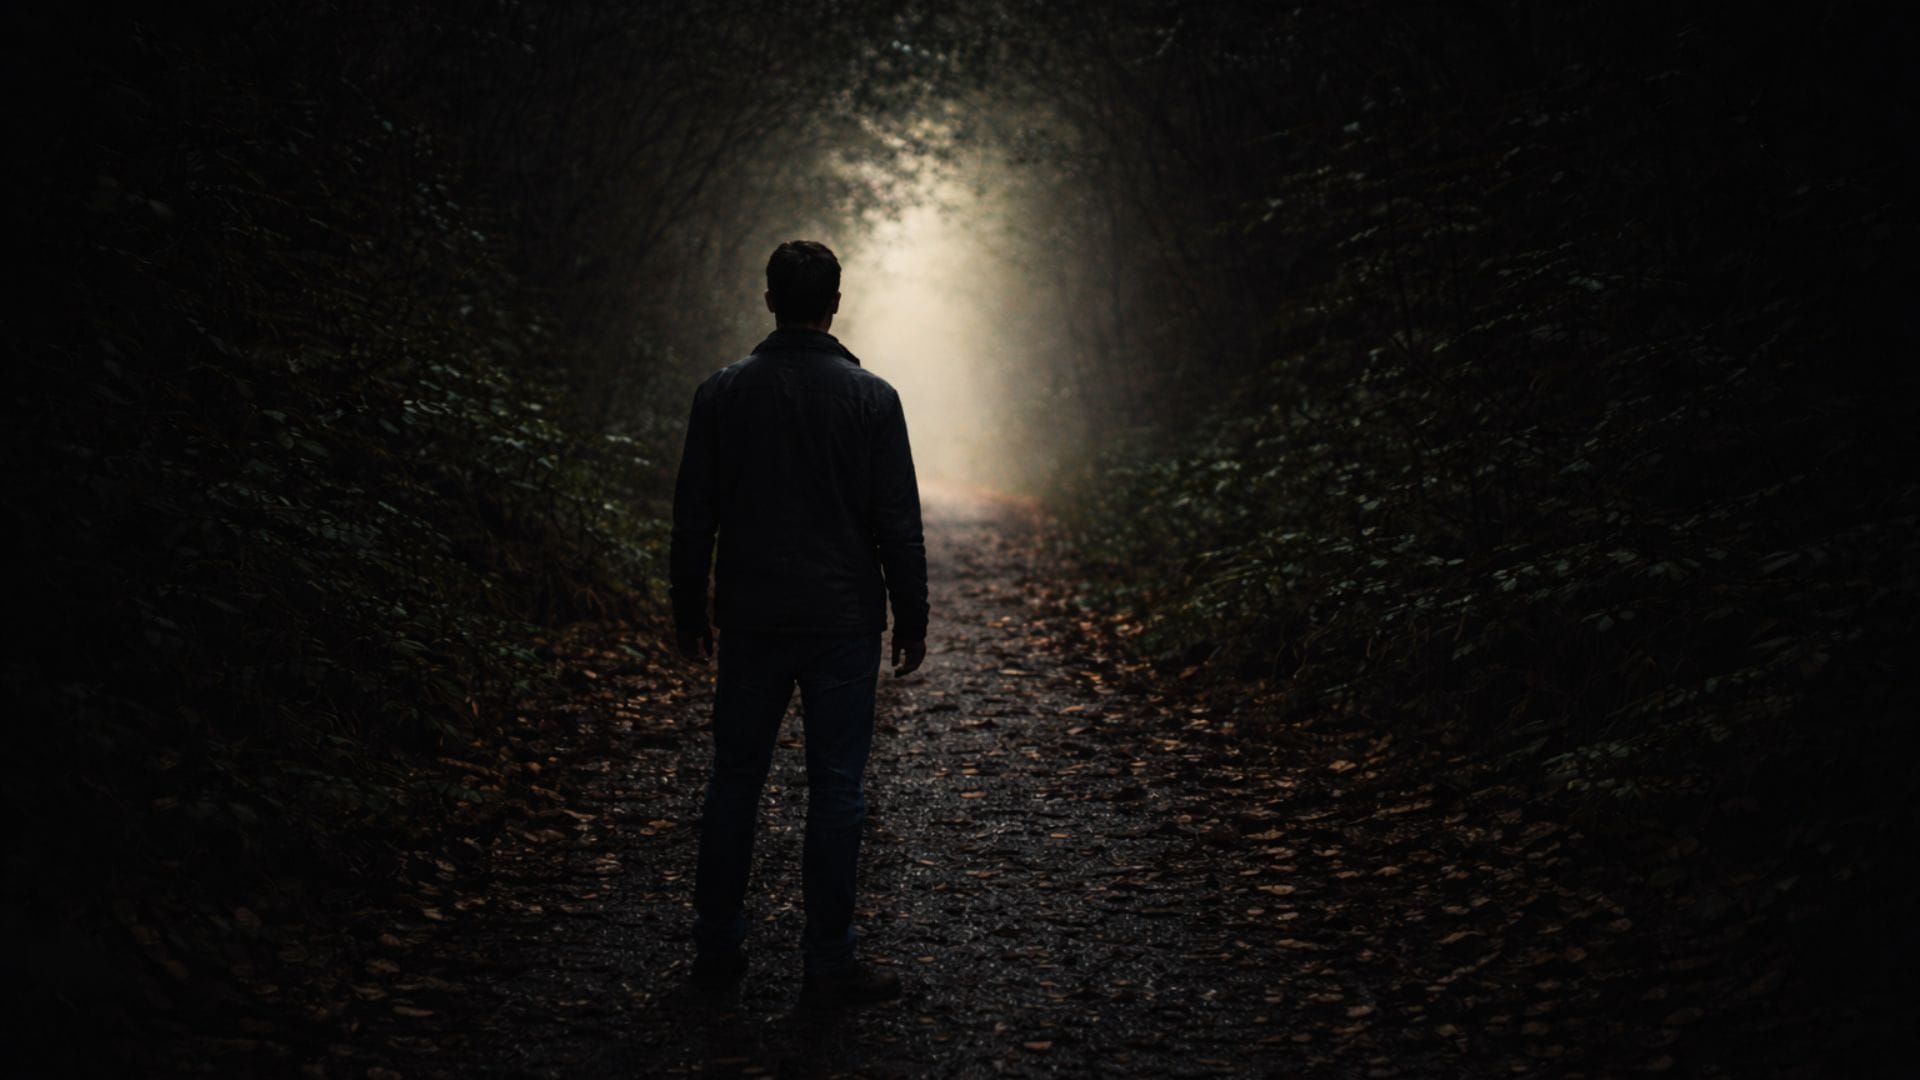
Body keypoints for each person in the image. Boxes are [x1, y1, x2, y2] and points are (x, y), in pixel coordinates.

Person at [669, 240, 929, 1007]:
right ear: (836, 303)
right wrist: (909, 617)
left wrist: (689, 608)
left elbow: (695, 517)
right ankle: (827, 961)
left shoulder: (721, 393)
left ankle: (716, 951)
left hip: (751, 616)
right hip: (842, 620)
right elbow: (897, 523)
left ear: (769, 299)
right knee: (838, 787)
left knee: (734, 780)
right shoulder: (873, 398)